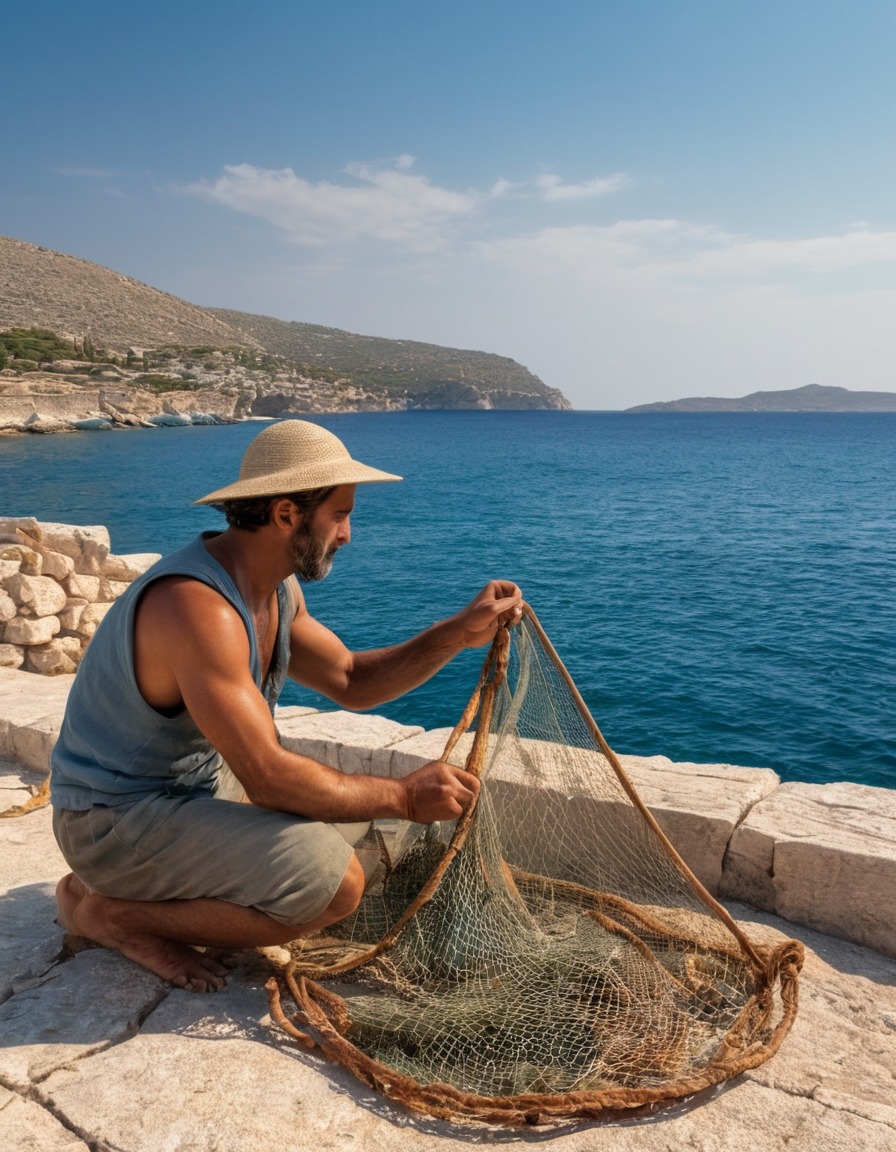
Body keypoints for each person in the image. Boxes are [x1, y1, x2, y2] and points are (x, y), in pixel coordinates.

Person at [50, 419, 523, 992]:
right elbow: (270, 778)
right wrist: (403, 793)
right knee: (334, 883)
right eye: (340, 515)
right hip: (113, 822)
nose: (348, 534)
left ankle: (157, 895)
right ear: (284, 514)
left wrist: (456, 634)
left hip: (192, 796)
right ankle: (106, 914)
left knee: (386, 842)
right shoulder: (197, 608)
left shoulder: (275, 587)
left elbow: (350, 679)